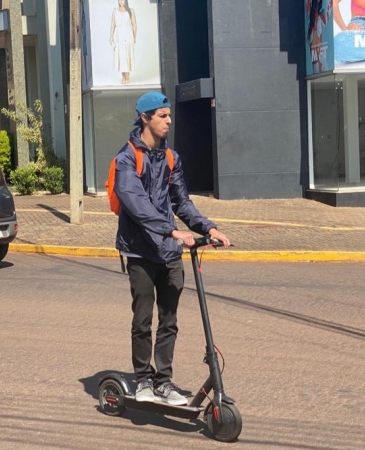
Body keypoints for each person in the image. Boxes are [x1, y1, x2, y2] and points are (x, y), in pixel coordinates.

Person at [111, 92, 230, 405]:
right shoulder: (127, 159)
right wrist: (172, 230)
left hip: (168, 250)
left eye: (169, 115)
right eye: (162, 116)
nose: (168, 121)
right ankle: (143, 380)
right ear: (145, 118)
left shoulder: (171, 158)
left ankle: (163, 383)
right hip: (138, 251)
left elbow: (181, 201)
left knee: (169, 319)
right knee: (142, 320)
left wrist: (208, 227)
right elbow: (135, 204)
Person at [109, 0, 137, 84]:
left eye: (122, 0)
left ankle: (127, 75)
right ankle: (123, 76)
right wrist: (111, 36)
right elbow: (113, 24)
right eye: (119, 0)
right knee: (121, 55)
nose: (121, 2)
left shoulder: (131, 11)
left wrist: (134, 37)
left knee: (126, 54)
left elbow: (134, 24)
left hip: (128, 35)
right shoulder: (115, 11)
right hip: (119, 35)